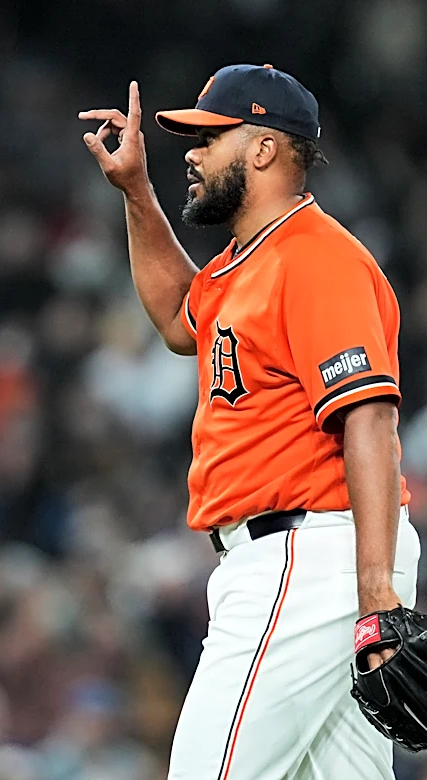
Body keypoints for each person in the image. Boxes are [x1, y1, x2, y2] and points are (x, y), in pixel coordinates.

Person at [79, 63, 420, 779]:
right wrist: (136, 193)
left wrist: (376, 593)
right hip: (294, 559)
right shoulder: (243, 264)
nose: (193, 154)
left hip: (308, 555)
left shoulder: (318, 259)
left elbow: (369, 419)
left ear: (264, 149)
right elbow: (179, 319)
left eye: (211, 137)